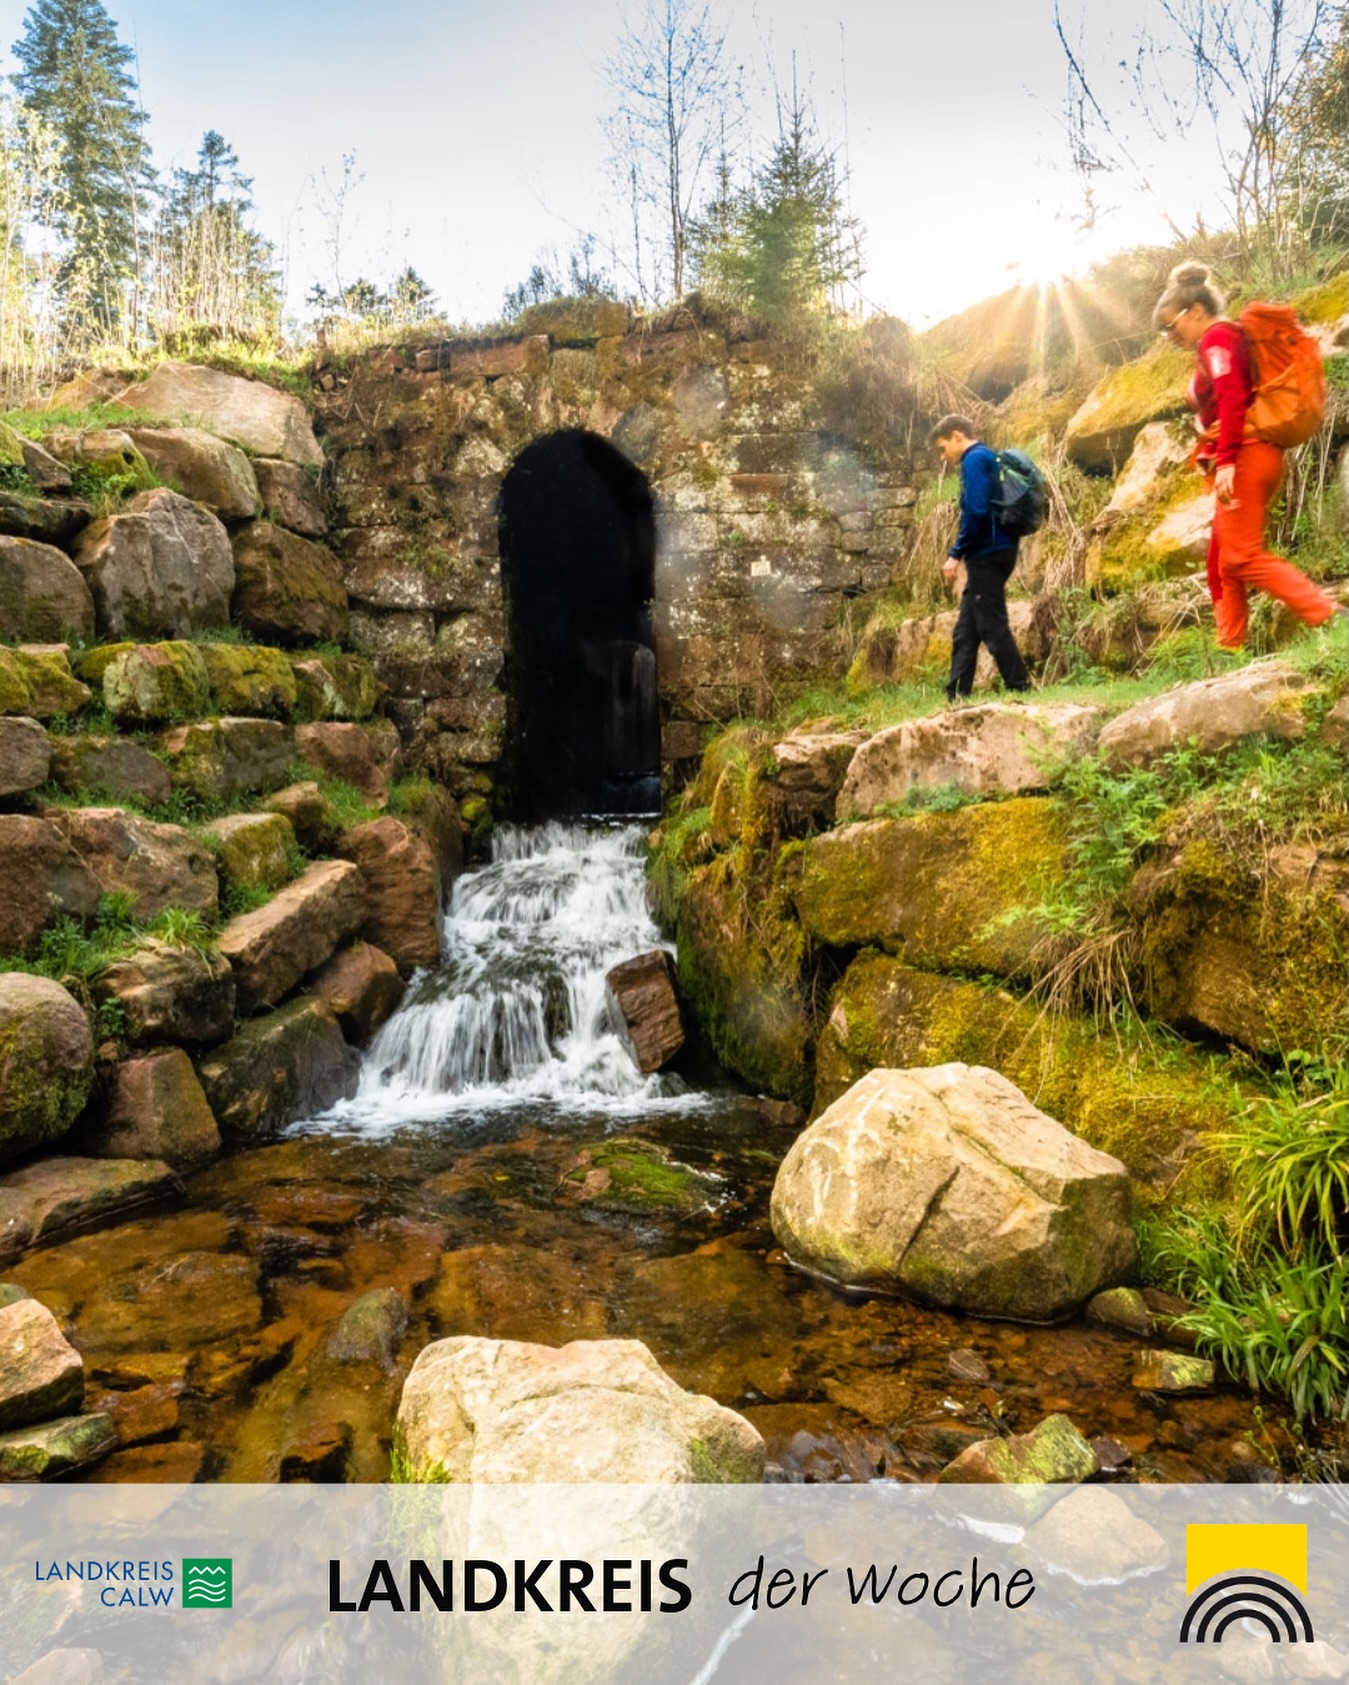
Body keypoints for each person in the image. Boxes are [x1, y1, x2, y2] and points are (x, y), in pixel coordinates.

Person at [1154, 261, 1336, 649]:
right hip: (1251, 454)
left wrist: (1226, 463)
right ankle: (1232, 644)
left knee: (1241, 557)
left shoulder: (1217, 339)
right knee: (1222, 560)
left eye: (1171, 326)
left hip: (1246, 457)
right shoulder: (1224, 338)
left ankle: (1327, 614)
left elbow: (1233, 399)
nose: (1169, 336)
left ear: (1196, 311)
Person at [930, 415, 1031, 703]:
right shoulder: (987, 457)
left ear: (957, 436)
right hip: (998, 550)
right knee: (966, 630)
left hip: (988, 553)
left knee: (991, 624)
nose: (942, 457)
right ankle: (956, 696)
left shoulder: (974, 460)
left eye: (942, 448)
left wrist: (955, 553)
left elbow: (975, 512)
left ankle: (1020, 687)